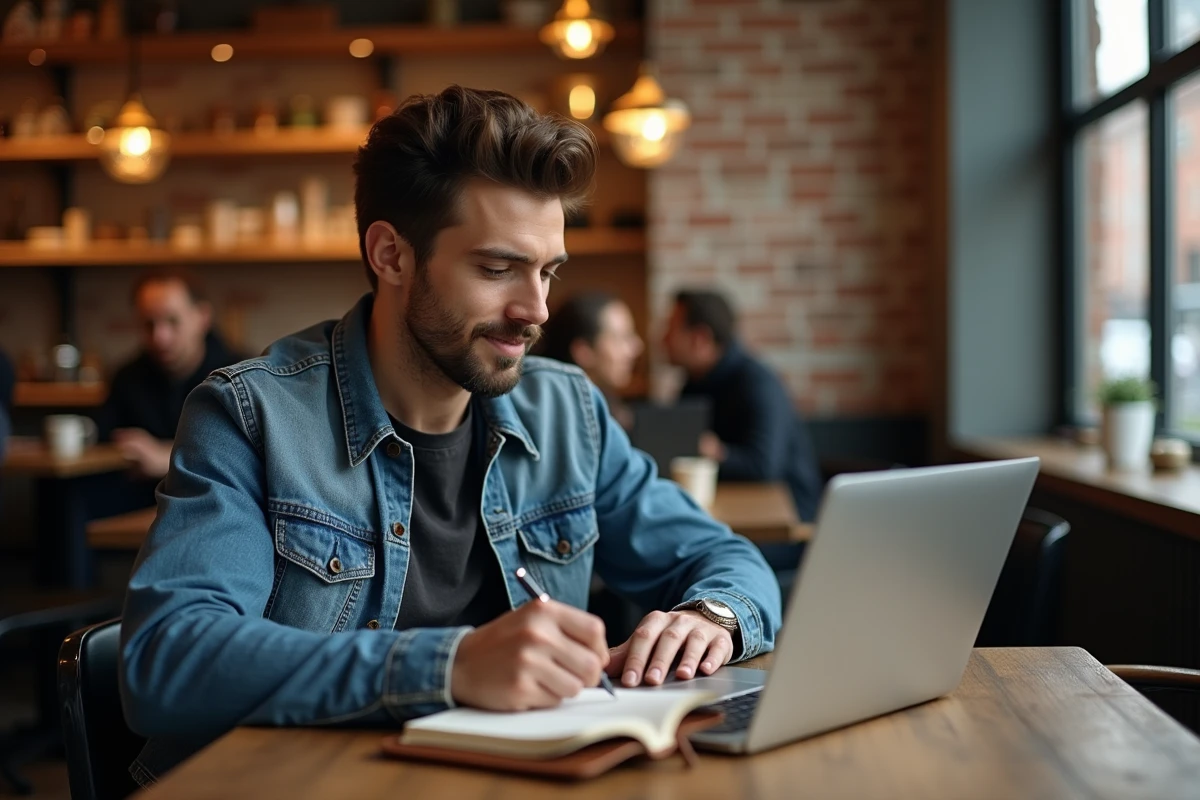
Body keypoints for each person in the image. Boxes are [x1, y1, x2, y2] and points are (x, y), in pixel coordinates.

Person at [119, 86, 781, 785]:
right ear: (391, 255)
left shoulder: (568, 412)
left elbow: (727, 560)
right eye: (497, 269)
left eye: (548, 271)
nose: (535, 310)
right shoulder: (251, 416)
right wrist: (452, 666)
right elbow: (167, 660)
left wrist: (711, 617)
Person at [661, 289, 823, 523]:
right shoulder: (693, 384)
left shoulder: (758, 383)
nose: (663, 339)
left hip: (789, 524)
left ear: (701, 339)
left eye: (670, 328)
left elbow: (763, 467)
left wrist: (712, 451)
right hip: (728, 515)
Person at [95, 268, 239, 502]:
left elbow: (247, 455)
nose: (160, 337)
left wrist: (167, 458)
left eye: (172, 321)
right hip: (139, 496)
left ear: (202, 317)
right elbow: (106, 439)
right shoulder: (128, 376)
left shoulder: (237, 375)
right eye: (148, 324)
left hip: (215, 500)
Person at [536, 291, 644, 429]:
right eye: (621, 339)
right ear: (583, 351)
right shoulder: (559, 422)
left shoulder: (613, 410)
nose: (636, 348)